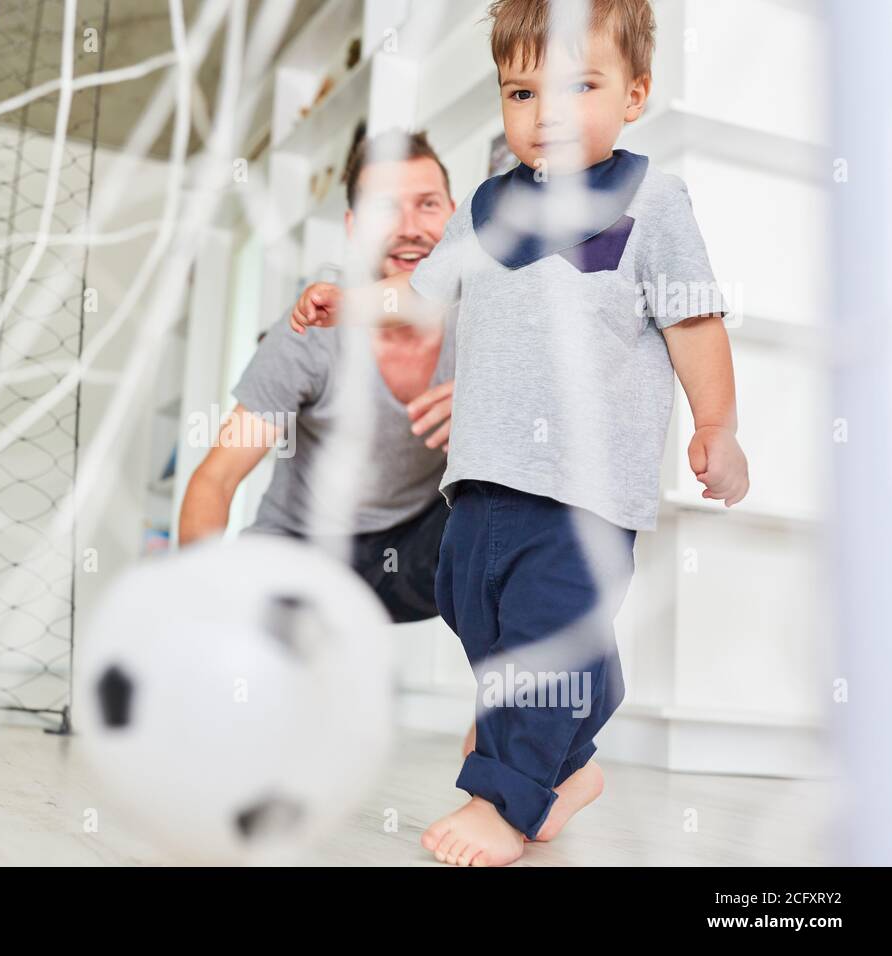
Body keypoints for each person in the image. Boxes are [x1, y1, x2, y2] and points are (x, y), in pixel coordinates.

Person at [290, 0, 749, 865]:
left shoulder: (656, 201)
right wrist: (345, 299)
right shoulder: (488, 207)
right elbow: (422, 297)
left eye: (581, 85)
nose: (549, 114)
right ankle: (568, 762)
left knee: (541, 640)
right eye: (522, 90)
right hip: (480, 478)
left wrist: (716, 427)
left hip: (585, 490)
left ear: (635, 93)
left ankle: (502, 798)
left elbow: (696, 323)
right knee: (479, 614)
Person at [178, 129, 459, 624]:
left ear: (455, 215)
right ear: (352, 228)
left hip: (416, 544)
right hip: (305, 546)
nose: (410, 227)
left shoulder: (487, 315)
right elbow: (217, 478)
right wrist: (198, 588)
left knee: (510, 495)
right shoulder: (310, 330)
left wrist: (489, 403)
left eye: (428, 204)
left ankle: (525, 686)